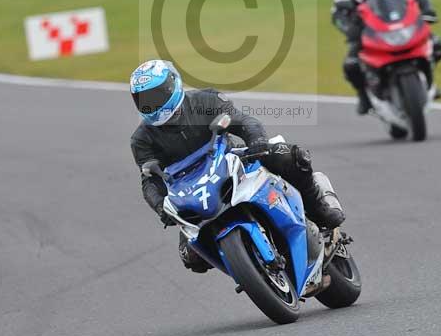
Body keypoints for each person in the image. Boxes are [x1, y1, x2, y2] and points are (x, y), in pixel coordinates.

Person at [130, 59, 345, 273]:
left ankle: (319, 208)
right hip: (192, 190)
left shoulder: (206, 100)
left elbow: (243, 121)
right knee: (192, 256)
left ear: (172, 86)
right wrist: (160, 206)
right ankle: (249, 269)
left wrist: (257, 141)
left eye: (155, 97)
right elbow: (149, 179)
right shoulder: (141, 139)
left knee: (290, 156)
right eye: (143, 100)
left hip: (230, 159)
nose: (151, 105)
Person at [331, 0, 441, 115]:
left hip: (401, 22)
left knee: (437, 44)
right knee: (351, 65)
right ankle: (364, 97)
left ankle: (430, 83)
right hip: (367, 30)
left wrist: (427, 10)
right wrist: (350, 29)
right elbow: (337, 12)